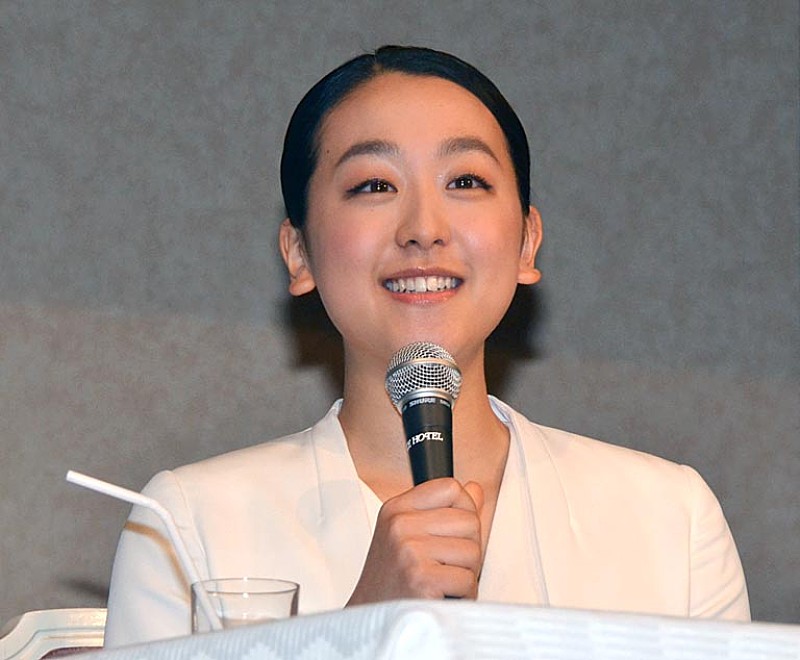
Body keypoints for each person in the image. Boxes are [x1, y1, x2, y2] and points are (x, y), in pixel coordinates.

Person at [103, 45, 749, 647]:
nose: (423, 229)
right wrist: (361, 625)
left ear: (527, 242)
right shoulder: (187, 526)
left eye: (464, 181)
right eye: (374, 186)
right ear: (299, 253)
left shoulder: (671, 520)